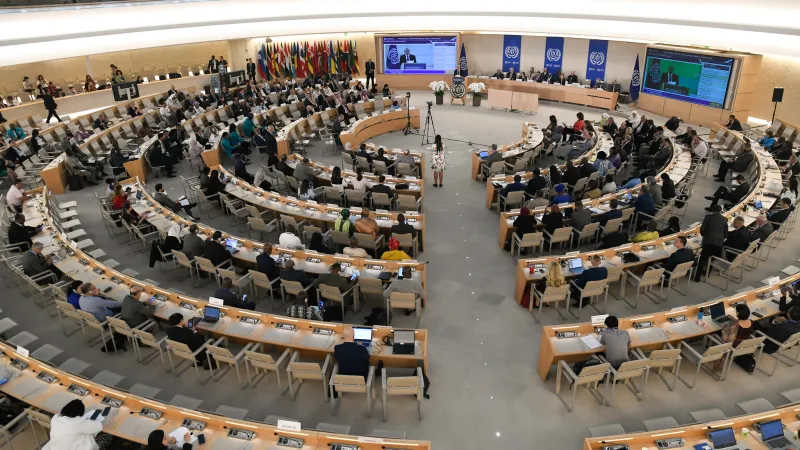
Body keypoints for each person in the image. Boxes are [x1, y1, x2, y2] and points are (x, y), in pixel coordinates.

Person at [695, 205, 728, 281]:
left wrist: (704, 235)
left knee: (703, 259)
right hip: (718, 243)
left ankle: (697, 276)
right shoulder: (725, 219)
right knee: (712, 258)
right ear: (720, 211)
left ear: (712, 210)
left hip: (708, 241)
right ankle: (707, 272)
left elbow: (702, 229)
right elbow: (726, 234)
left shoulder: (708, 217)